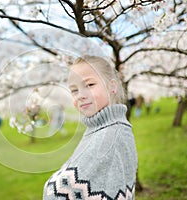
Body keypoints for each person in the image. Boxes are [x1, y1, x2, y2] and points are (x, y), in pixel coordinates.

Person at [43, 55, 138, 200]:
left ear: (112, 86)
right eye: (74, 90)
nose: (81, 95)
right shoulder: (98, 128)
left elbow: (59, 194)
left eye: (89, 85)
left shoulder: (111, 135)